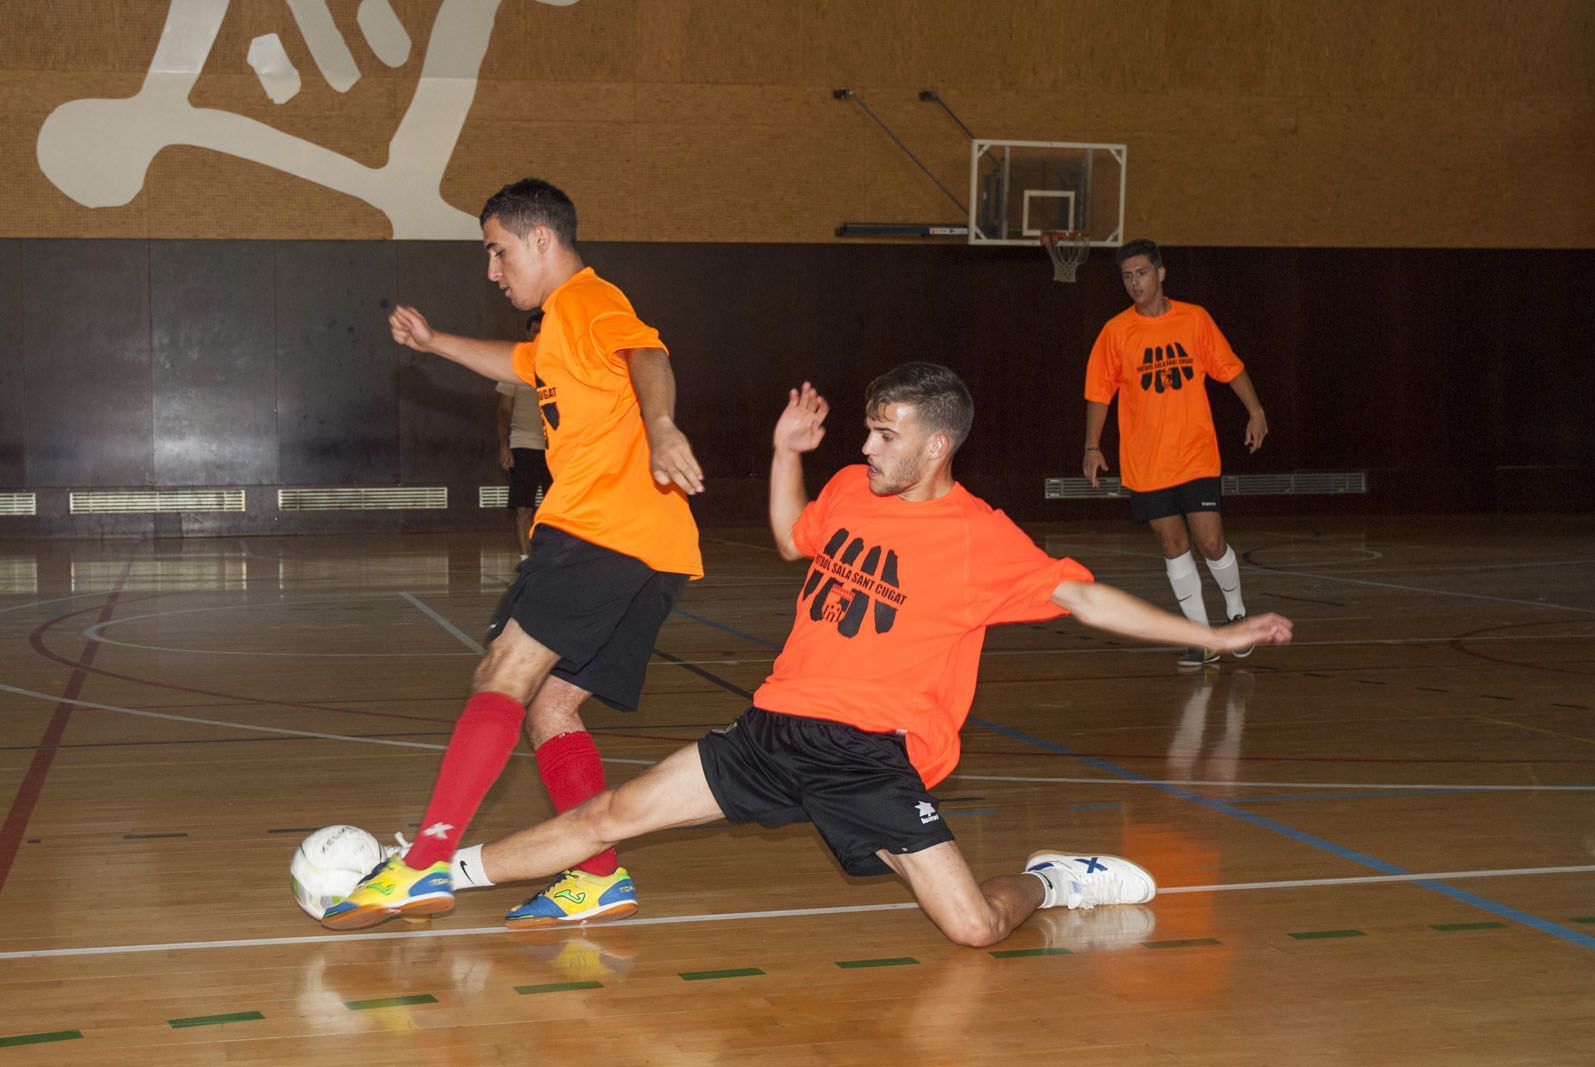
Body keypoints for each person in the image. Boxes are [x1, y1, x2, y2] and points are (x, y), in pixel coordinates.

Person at [323, 363, 1293, 944]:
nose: (868, 444)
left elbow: (1084, 597)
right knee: (612, 812)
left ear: (938, 445)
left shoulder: (979, 534)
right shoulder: (851, 489)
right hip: (775, 724)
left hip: (871, 752)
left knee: (970, 927)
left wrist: (1215, 632)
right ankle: (432, 872)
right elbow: (795, 537)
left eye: (886, 433)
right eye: (866, 429)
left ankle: (1054, 876)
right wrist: (788, 450)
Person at [322, 178, 705, 931]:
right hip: (653, 546)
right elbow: (519, 363)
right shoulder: (559, 325)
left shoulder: (590, 301)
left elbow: (648, 354)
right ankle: (596, 876)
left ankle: (427, 858)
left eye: (497, 252)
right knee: (552, 704)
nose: (492, 271)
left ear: (540, 240)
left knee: (503, 671)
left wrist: (661, 426)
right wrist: (435, 343)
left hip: (602, 531)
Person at [1082, 239, 1269, 669]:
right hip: (1147, 463)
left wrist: (1255, 411)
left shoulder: (1195, 320)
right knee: (1172, 543)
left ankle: (1237, 614)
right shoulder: (1115, 332)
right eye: (1127, 276)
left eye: (1142, 273)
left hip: (1195, 454)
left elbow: (1230, 368)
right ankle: (1201, 637)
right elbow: (1099, 394)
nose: (1135, 283)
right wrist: (1092, 446)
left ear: (1161, 274)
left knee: (1209, 540)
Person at [496, 312, 550, 559]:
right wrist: (504, 446)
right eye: (533, 331)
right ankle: (525, 563)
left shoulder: (561, 364)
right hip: (524, 445)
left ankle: (551, 562)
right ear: (527, 334)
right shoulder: (516, 367)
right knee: (523, 509)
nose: (537, 335)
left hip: (556, 449)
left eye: (542, 331)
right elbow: (504, 410)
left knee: (557, 511)